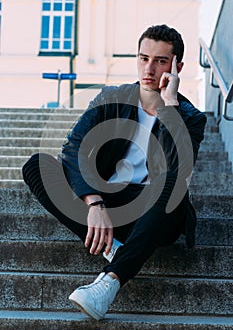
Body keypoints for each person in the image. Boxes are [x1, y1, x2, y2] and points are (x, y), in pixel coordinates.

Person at [22, 24, 207, 321]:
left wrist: (170, 106)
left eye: (160, 61)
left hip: (157, 213)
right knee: (37, 165)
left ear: (177, 67)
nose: (149, 68)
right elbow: (72, 150)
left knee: (172, 183)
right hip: (109, 204)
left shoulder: (190, 117)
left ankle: (109, 282)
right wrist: (94, 203)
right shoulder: (112, 97)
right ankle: (118, 249)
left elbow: (177, 169)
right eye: (144, 58)